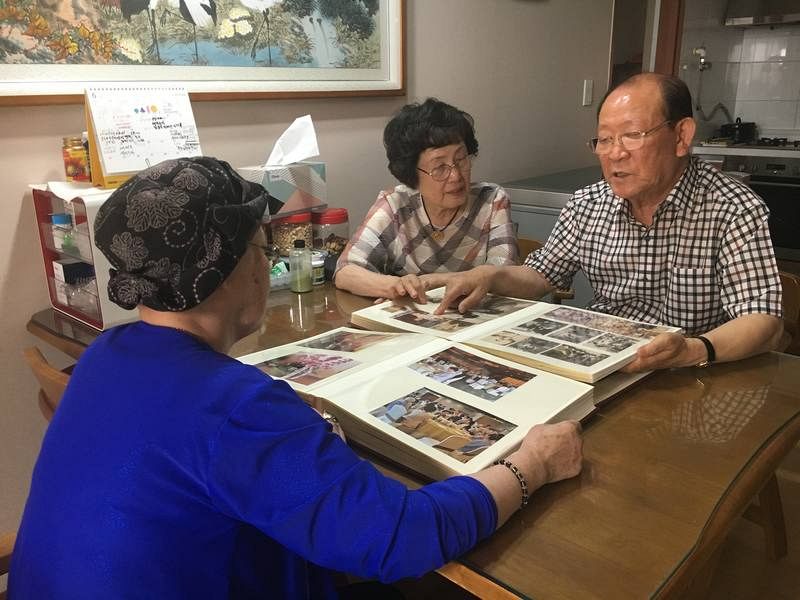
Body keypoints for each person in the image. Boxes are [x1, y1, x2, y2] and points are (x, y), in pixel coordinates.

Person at [10, 157, 582, 599]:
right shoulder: (237, 409)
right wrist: (532, 464)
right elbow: (401, 537)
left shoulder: (106, 353)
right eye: (264, 249)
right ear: (231, 269)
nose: (270, 264)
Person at [436, 73, 784, 372]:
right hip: (604, 362)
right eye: (604, 139)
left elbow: (763, 319)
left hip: (692, 370)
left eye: (632, 135)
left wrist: (692, 351)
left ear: (681, 136)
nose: (615, 153)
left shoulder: (732, 208)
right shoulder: (588, 203)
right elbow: (542, 274)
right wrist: (490, 276)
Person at [334, 98, 518, 302]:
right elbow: (345, 271)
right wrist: (394, 286)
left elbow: (504, 276)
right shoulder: (396, 205)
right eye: (439, 167)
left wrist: (429, 282)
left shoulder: (491, 201)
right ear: (411, 174)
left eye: (461, 159)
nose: (456, 176)